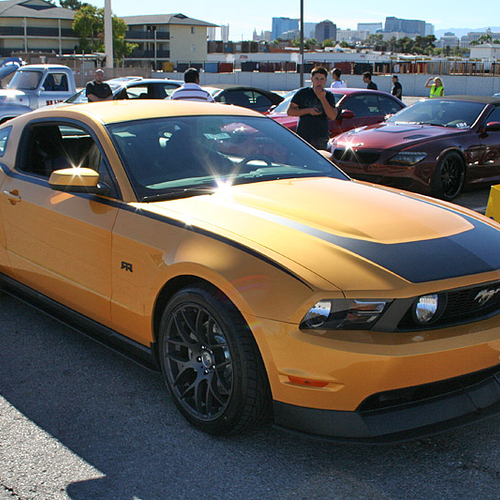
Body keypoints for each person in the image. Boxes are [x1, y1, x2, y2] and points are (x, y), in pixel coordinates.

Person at [287, 66, 338, 150]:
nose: (319, 82)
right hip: (304, 136)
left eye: (322, 79)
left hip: (321, 138)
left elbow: (332, 116)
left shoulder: (329, 96)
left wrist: (322, 98)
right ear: (312, 79)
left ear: (325, 80)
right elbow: (290, 111)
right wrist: (308, 111)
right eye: (316, 79)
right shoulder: (303, 93)